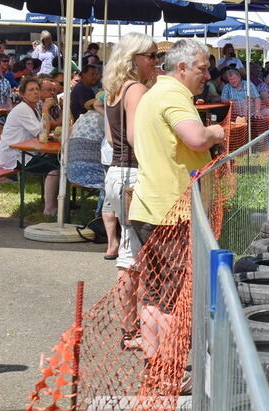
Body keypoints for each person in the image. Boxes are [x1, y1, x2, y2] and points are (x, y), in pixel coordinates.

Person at [127, 39, 224, 359]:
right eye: (202, 68)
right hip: (171, 213)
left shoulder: (156, 94)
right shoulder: (173, 95)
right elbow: (196, 139)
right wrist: (217, 133)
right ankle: (173, 365)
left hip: (151, 209)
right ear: (181, 68)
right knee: (174, 295)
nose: (207, 76)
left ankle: (157, 362)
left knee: (157, 295)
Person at [102, 32, 159, 270]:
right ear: (133, 58)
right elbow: (136, 137)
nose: (156, 61)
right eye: (151, 56)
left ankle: (131, 306)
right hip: (133, 174)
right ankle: (131, 307)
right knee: (133, 254)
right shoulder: (135, 89)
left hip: (116, 173)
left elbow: (110, 138)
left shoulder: (115, 89)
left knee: (130, 249)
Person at [0, 77, 61, 216]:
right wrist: (45, 108)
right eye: (31, 90)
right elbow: (41, 132)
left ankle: (56, 202)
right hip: (14, 156)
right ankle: (49, 208)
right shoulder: (22, 110)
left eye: (37, 89)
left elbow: (43, 133)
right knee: (55, 168)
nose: (36, 93)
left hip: (25, 151)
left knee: (59, 161)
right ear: (23, 94)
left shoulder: (32, 108)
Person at [67, 96, 108, 220]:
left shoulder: (82, 118)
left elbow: (62, 138)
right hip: (92, 173)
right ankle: (101, 216)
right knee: (115, 180)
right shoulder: (104, 120)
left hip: (71, 172)